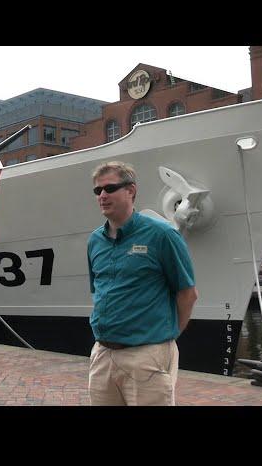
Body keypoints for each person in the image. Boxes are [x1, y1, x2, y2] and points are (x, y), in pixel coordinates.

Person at [87, 161, 197, 406]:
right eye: (98, 191)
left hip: (146, 355)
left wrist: (164, 340)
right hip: (103, 354)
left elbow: (188, 294)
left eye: (110, 188)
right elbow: (99, 292)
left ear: (131, 191)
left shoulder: (162, 235)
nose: (102, 195)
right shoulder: (95, 241)